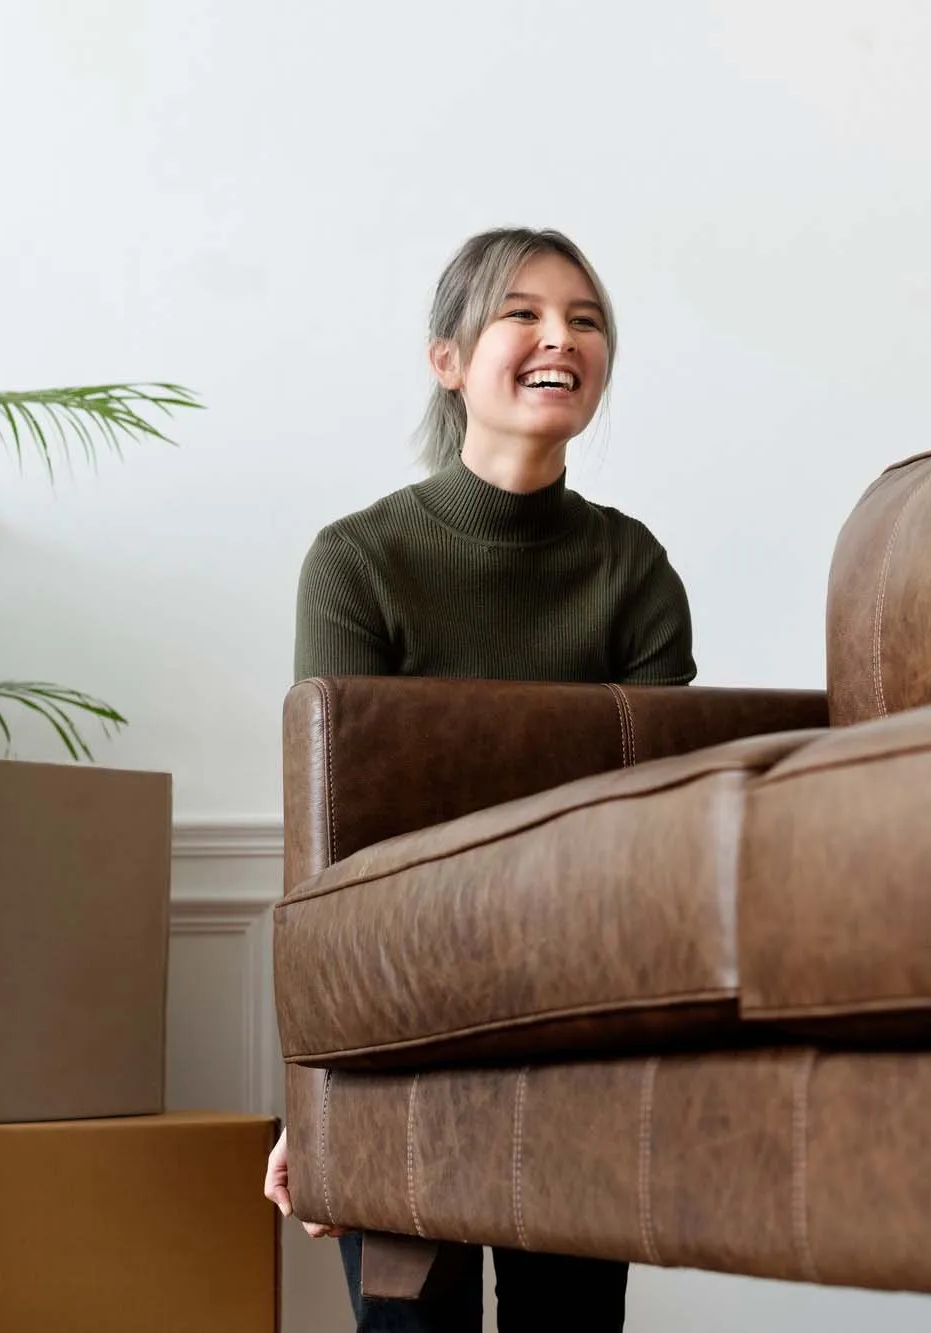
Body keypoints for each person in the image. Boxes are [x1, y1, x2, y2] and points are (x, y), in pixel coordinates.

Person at [263, 227, 696, 1332]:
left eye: (586, 321)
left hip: (579, 1034)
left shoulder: (633, 570)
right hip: (404, 1037)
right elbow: (334, 854)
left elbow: (661, 833)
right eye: (524, 313)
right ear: (447, 359)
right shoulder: (358, 563)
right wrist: (316, 1098)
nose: (562, 338)